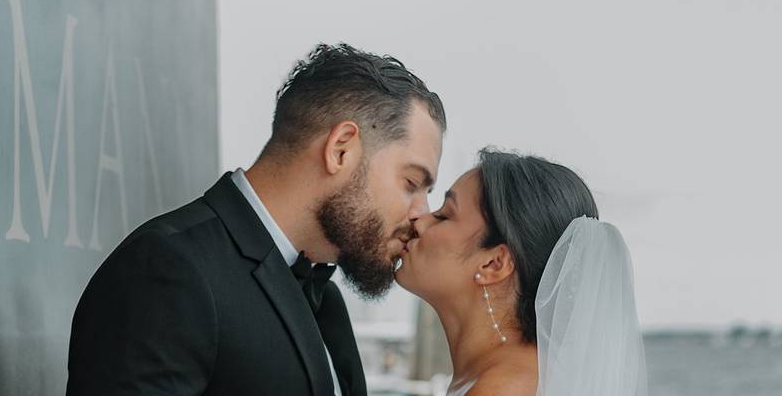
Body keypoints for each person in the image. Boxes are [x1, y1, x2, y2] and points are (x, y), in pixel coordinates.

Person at [66, 43, 446, 396]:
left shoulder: (325, 297)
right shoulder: (167, 269)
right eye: (412, 182)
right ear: (341, 150)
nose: (422, 214)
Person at [397, 149, 647, 396]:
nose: (419, 220)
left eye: (444, 215)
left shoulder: (503, 387)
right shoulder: (514, 375)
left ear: (494, 264)